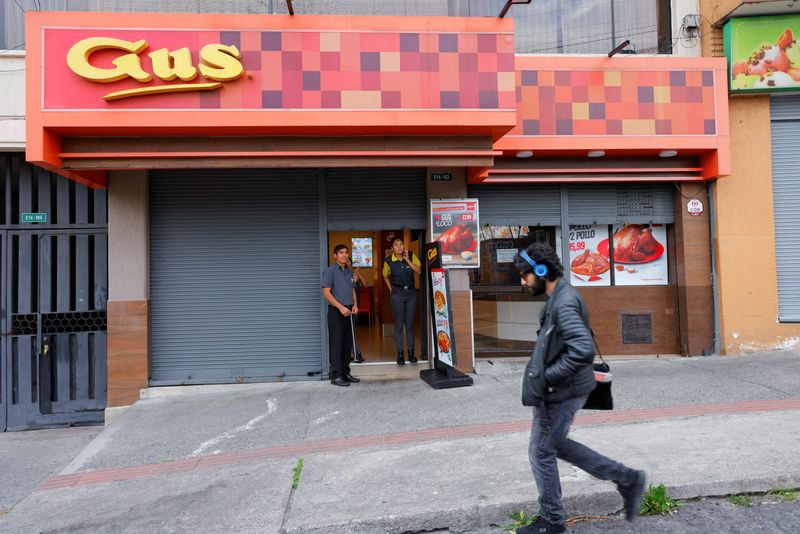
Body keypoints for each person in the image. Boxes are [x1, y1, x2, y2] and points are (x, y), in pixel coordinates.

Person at [514, 242, 646, 534]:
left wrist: (547, 378)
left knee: (540, 452)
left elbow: (581, 350)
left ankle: (552, 521)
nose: (522, 281)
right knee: (553, 445)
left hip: (562, 392)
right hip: (564, 389)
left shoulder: (563, 302)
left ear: (541, 270)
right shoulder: (558, 297)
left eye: (525, 275)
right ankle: (627, 478)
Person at [321, 244, 360, 387]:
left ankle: (345, 372)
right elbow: (326, 293)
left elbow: (353, 290)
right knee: (337, 344)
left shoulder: (348, 272)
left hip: (349, 311)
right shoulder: (330, 271)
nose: (344, 255)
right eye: (341, 253)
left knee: (347, 344)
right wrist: (341, 307)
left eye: (346, 252)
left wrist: (355, 304)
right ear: (335, 255)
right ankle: (336, 375)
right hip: (336, 312)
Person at [382, 237, 421, 365]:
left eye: (401, 244)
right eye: (396, 245)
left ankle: (411, 353)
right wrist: (390, 289)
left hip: (411, 293)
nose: (399, 247)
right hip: (397, 294)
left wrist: (407, 259)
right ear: (392, 248)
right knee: (399, 326)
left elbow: (418, 270)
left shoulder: (411, 255)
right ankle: (400, 354)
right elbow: (385, 276)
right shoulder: (389, 261)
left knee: (409, 325)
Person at [346, 258, 367, 363]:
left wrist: (359, 275)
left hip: (355, 306)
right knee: (349, 331)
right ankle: (355, 353)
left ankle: (352, 353)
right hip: (346, 306)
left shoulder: (353, 274)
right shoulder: (344, 275)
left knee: (351, 330)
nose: (348, 263)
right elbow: (347, 288)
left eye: (350, 262)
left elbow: (365, 284)